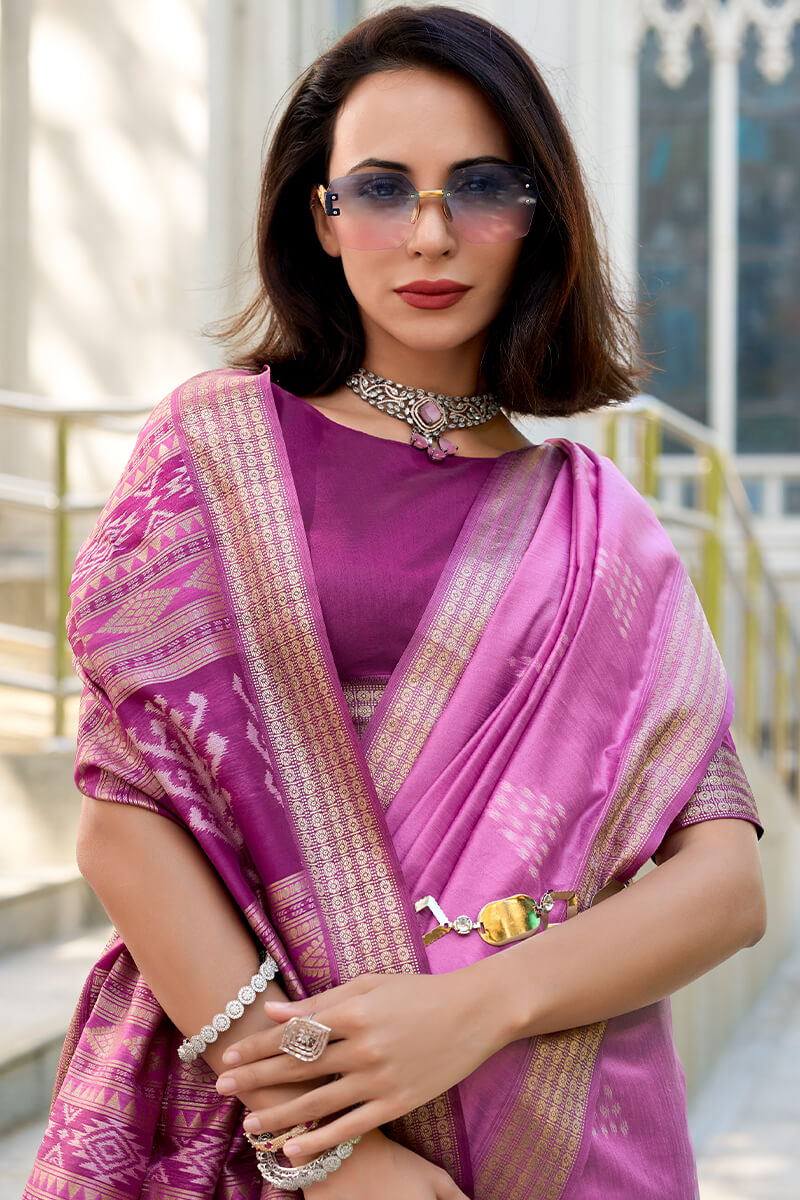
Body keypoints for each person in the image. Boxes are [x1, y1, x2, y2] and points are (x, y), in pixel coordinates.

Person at [26, 6, 765, 1199]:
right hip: (254, 1120)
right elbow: (123, 818)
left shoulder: (600, 531)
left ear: (536, 219)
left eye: (478, 186)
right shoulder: (213, 454)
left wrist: (468, 1012)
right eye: (380, 189)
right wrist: (328, 1143)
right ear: (319, 219)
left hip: (556, 1121)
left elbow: (722, 886)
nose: (429, 233)